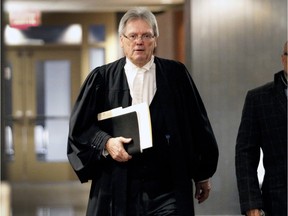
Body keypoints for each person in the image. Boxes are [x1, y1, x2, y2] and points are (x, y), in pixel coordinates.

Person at [67, 7, 219, 216]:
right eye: (133, 36)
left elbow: (197, 124)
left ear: (155, 39)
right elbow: (80, 128)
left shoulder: (176, 75)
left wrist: (203, 174)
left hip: (167, 184)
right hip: (118, 183)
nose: (139, 41)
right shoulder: (101, 79)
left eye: (146, 35)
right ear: (122, 40)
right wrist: (106, 142)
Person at [235, 41, 287, 216]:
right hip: (278, 201)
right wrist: (251, 204)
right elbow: (245, 154)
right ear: (283, 59)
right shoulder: (259, 99)